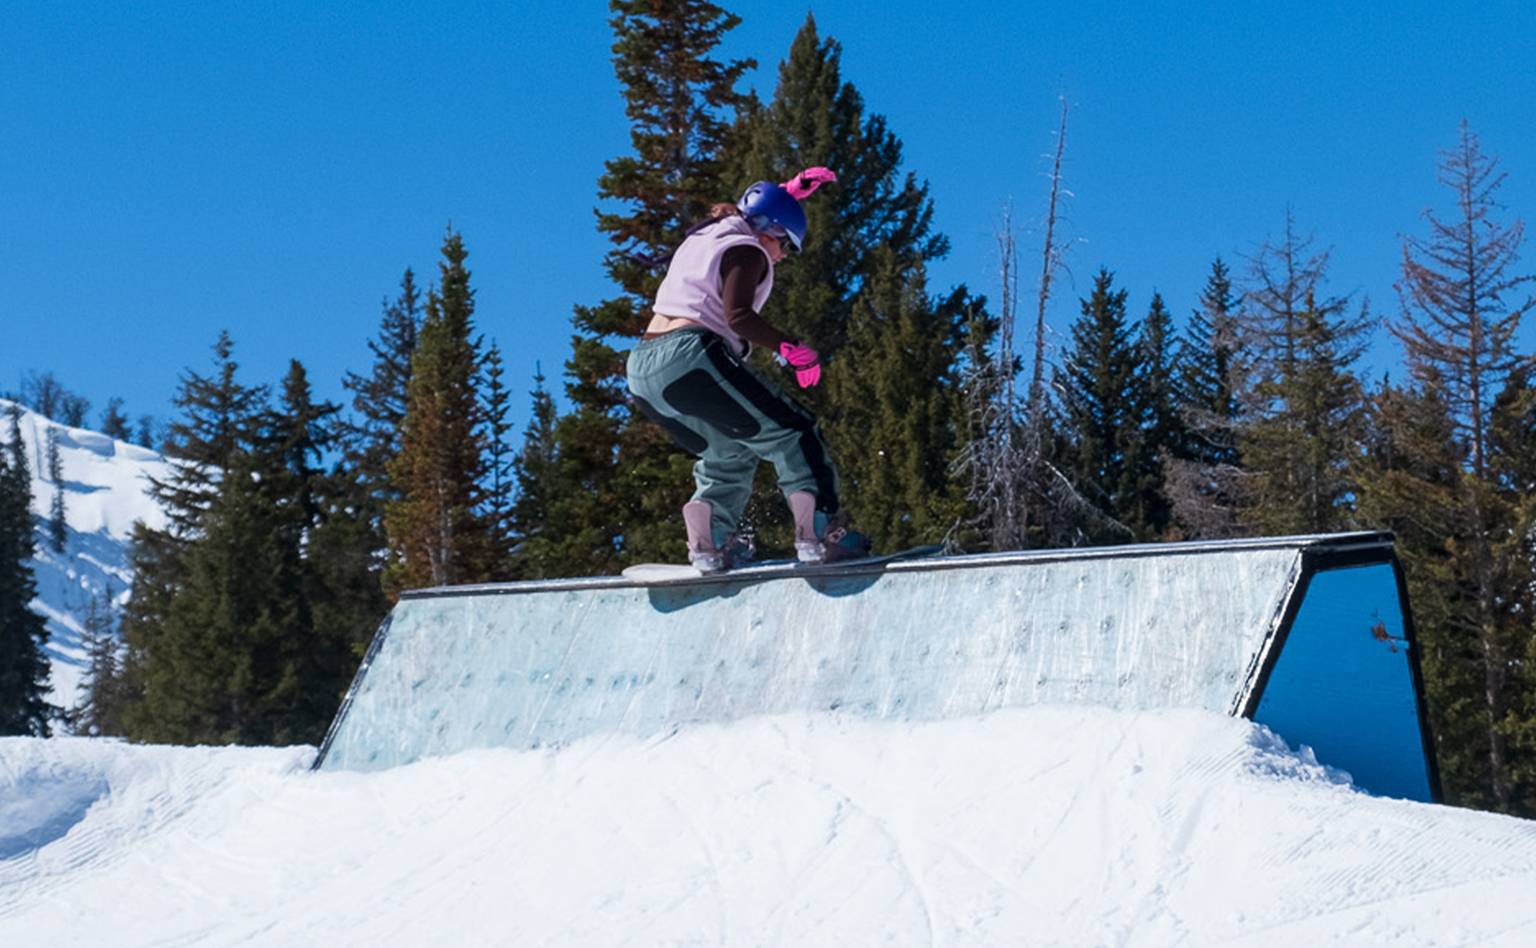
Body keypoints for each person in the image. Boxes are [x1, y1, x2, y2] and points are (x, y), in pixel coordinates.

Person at [626, 168, 871, 572]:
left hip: (643, 370)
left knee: (729, 451)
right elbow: (737, 315)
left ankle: (712, 542)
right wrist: (791, 348)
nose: (782, 257)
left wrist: (787, 196)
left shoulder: (712, 231)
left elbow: (749, 210)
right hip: (689, 357)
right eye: (786, 247)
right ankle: (822, 533)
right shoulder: (749, 249)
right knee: (795, 429)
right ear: (770, 232)